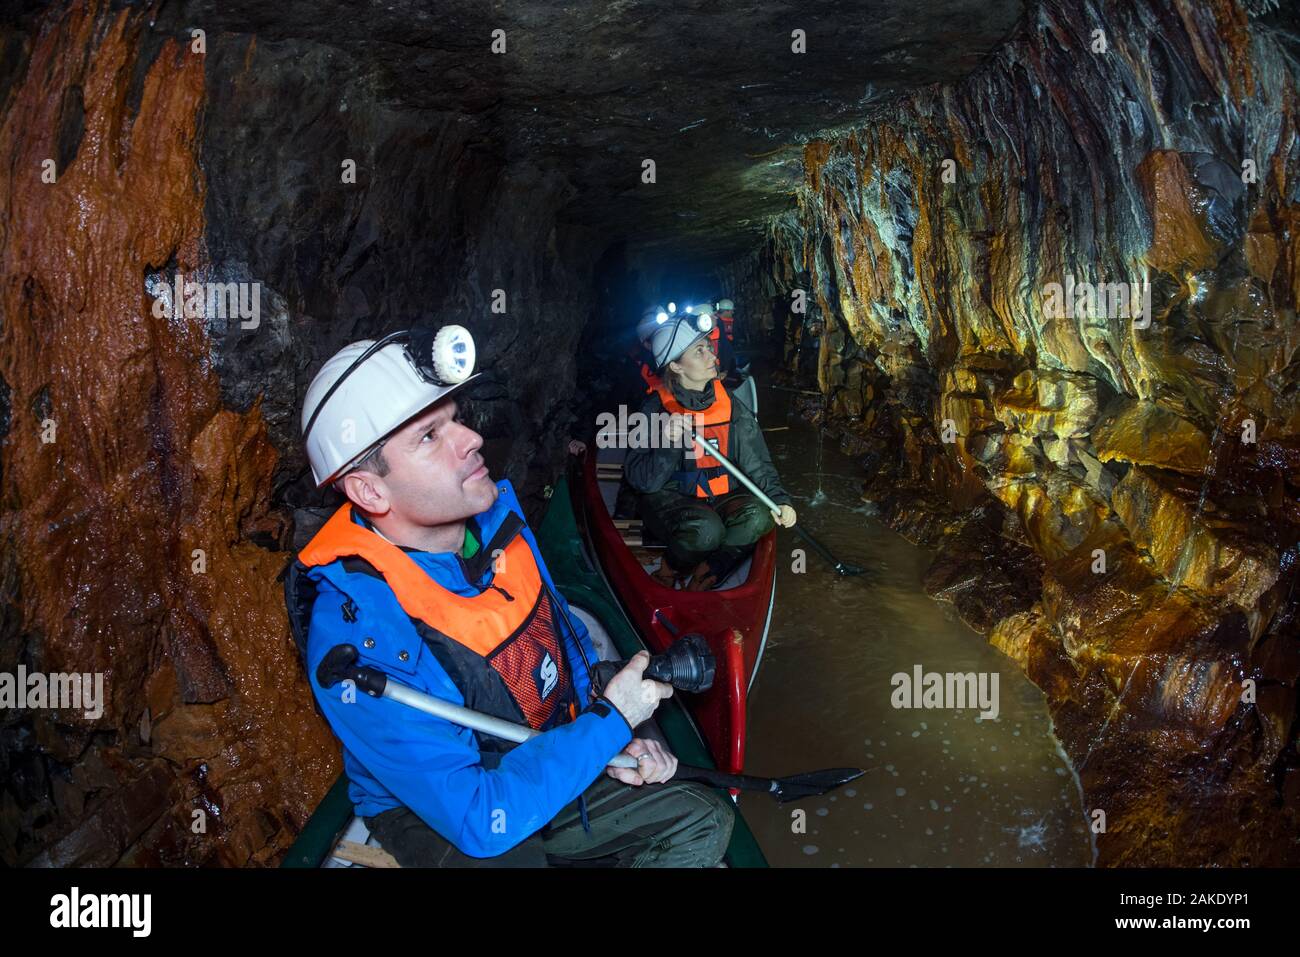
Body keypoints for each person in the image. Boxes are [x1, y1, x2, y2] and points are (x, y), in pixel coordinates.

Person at [283, 326, 734, 867]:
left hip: (536, 740)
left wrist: (604, 739)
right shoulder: (360, 636)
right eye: (429, 436)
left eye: (455, 419)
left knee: (704, 817)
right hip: (451, 802)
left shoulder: (497, 524)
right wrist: (612, 721)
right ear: (369, 491)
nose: (470, 438)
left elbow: (561, 642)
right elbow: (478, 816)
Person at [625, 316, 796, 591]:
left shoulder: (731, 406)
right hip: (672, 503)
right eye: (699, 351)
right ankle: (670, 569)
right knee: (706, 530)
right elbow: (643, 482)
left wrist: (779, 499)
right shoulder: (654, 410)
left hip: (719, 497)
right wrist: (668, 441)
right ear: (676, 366)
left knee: (759, 516)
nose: (711, 355)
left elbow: (757, 463)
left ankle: (710, 570)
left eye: (707, 346)